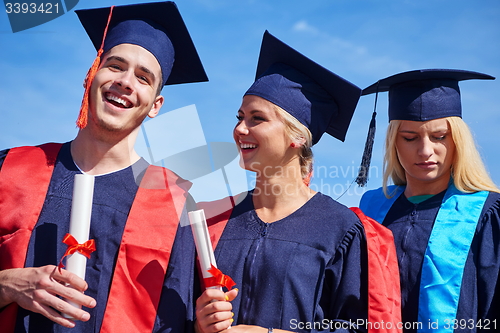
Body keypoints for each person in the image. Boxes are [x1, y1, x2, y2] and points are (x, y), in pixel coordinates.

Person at [0, 2, 207, 332]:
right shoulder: (10, 170)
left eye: (143, 77)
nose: (125, 82)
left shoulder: (173, 203)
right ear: (92, 74)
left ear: (156, 105)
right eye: (115, 66)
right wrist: (7, 284)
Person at [194, 31, 402, 333]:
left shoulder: (340, 229)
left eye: (257, 119)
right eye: (239, 117)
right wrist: (200, 325)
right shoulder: (218, 221)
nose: (239, 129)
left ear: (297, 137)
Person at [359, 69, 500, 332]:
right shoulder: (370, 211)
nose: (425, 151)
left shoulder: (486, 213)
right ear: (393, 142)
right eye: (410, 138)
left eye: (439, 137)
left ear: (458, 140)